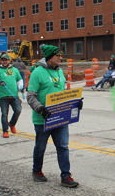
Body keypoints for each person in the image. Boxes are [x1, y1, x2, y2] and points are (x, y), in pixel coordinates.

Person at [27, 44, 81, 187]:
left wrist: (75, 104)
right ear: (50, 56)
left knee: (63, 146)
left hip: (60, 118)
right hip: (42, 119)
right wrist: (41, 109)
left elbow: (63, 96)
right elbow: (30, 97)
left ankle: (65, 176)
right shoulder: (37, 73)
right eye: (58, 55)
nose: (60, 57)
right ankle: (37, 170)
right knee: (40, 147)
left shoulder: (60, 72)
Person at [0, 54, 23, 138]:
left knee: (18, 110)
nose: (5, 61)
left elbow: (19, 79)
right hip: (3, 96)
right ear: (1, 61)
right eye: (3, 60)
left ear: (9, 61)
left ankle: (12, 124)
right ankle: (5, 130)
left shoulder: (15, 70)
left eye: (6, 60)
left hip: (14, 96)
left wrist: (21, 86)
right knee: (4, 114)